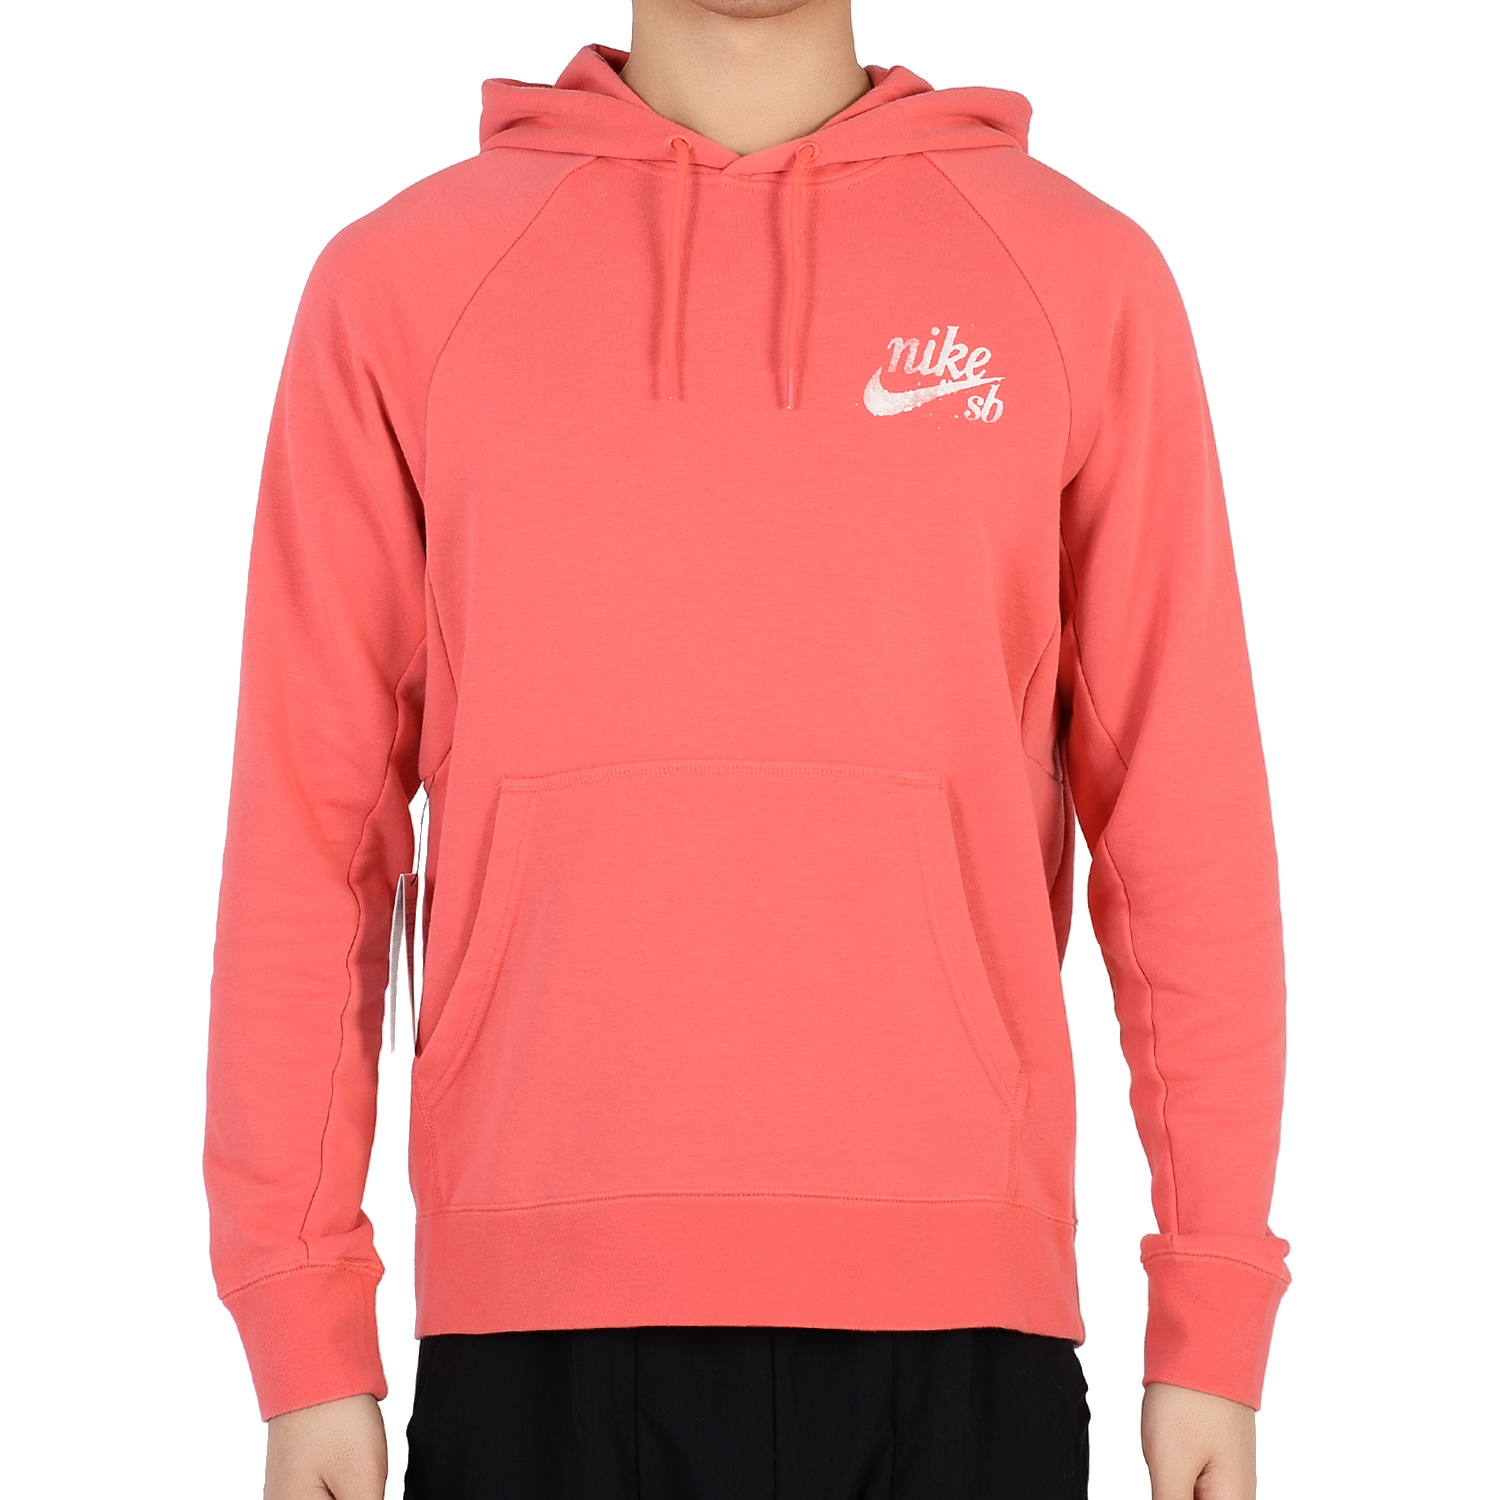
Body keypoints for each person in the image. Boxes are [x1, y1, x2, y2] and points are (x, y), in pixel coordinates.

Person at [204, 0, 1292, 1495]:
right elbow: (312, 825)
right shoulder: (401, 284)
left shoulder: (1077, 275)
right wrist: (302, 1320)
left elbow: (1184, 813)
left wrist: (1213, 1304)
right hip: (537, 1315)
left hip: (958, 1313)